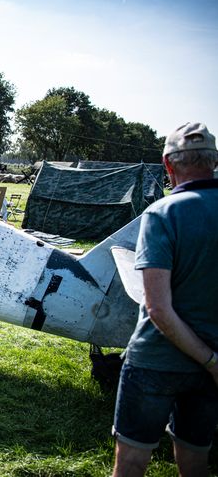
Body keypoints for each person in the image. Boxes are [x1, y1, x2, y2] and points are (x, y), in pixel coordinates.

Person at [111, 122, 218, 477]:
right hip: (213, 367)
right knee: (195, 461)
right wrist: (213, 361)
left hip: (155, 361)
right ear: (213, 162)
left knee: (131, 461)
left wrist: (209, 360)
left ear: (169, 165)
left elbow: (158, 308)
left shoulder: (163, 212)